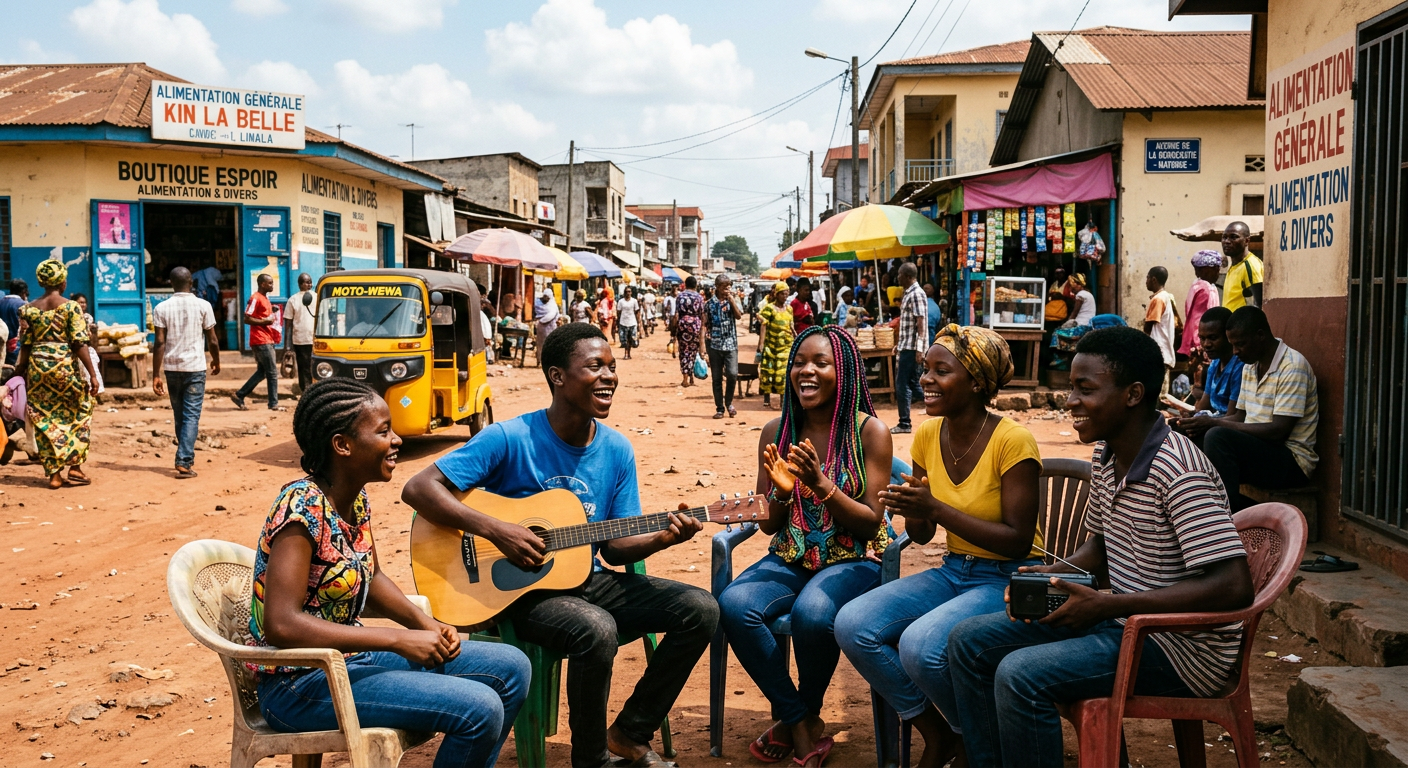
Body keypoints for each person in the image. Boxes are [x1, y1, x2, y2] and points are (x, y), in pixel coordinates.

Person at [402, 323, 718, 768]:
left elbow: (614, 547)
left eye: (612, 367)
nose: (609, 376)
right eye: (594, 367)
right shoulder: (509, 438)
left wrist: (665, 537)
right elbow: (420, 488)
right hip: (515, 592)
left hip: (585, 579)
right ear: (557, 376)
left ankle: (629, 732)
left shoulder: (616, 450)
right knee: (596, 628)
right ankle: (591, 759)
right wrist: (497, 530)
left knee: (701, 609)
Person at [946, 326, 1255, 768]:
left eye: (1085, 390)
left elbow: (1233, 587)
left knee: (1020, 676)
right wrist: (1053, 575)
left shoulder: (1179, 470)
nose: (1070, 401)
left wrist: (1107, 606)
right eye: (1072, 388)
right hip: (1126, 624)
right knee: (967, 642)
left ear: (1132, 394)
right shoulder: (1107, 455)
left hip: (1182, 649)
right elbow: (1101, 546)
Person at [250, 379, 530, 768]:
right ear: (342, 445)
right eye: (383, 431)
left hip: (350, 662)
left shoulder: (354, 500)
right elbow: (281, 624)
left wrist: (424, 623)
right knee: (479, 708)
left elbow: (372, 577)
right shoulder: (301, 509)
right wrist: (398, 639)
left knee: (512, 668)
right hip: (300, 684)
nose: (396, 440)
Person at [836, 324, 1039, 768]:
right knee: (853, 623)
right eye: (925, 369)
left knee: (921, 646)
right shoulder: (928, 435)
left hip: (1008, 576)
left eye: (940, 371)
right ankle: (945, 733)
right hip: (954, 571)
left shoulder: (1013, 441)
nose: (925, 379)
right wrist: (915, 507)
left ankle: (978, 738)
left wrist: (937, 508)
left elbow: (1018, 541)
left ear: (977, 382)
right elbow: (924, 534)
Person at [718, 325, 893, 768]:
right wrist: (779, 492)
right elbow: (768, 525)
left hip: (856, 558)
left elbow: (872, 524)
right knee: (736, 604)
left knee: (813, 613)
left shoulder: (869, 432)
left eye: (821, 363)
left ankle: (805, 713)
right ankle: (799, 720)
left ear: (845, 371)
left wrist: (819, 484)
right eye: (799, 362)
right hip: (794, 554)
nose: (806, 372)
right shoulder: (777, 430)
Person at [1177, 307, 1318, 510]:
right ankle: (1208, 508)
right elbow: (1240, 417)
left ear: (1260, 336)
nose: (1235, 352)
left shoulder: (1292, 367)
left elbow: (1278, 431)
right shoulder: (1251, 366)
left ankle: (1229, 517)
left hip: (1291, 461)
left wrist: (1214, 423)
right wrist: (1202, 424)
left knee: (1217, 437)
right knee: (1190, 434)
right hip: (1259, 449)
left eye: (1240, 344)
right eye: (1233, 345)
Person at [14, 260, 98, 489]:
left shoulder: (28, 308)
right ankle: (75, 467)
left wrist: (20, 371)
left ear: (41, 281)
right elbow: (79, 343)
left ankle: (54, 474)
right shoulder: (71, 307)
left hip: (38, 369)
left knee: (43, 418)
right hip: (63, 367)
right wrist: (92, 373)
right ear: (62, 281)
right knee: (79, 411)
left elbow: (27, 344)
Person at [152, 267, 221, 479]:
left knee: (180, 414)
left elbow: (160, 342)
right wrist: (216, 361)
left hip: (172, 368)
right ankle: (183, 460)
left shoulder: (161, 308)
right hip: (195, 368)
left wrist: (155, 374)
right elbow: (213, 340)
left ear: (171, 283)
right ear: (191, 282)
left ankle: (184, 455)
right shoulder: (203, 305)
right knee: (191, 415)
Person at [1172, 306, 1243, 420]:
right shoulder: (1214, 365)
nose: (1206, 344)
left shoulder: (1239, 367)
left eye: (1213, 338)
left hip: (1225, 427)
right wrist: (1191, 416)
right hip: (1214, 423)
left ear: (1228, 336)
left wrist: (1203, 423)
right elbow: (1204, 405)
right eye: (1202, 338)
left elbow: (1232, 416)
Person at [231, 273, 281, 411]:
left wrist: (272, 310)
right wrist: (265, 321)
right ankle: (273, 403)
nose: (272, 285)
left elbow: (261, 314)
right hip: (261, 339)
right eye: (270, 283)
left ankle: (239, 395)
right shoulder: (255, 298)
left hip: (266, 338)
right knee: (272, 372)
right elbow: (247, 318)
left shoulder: (265, 298)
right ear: (262, 284)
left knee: (263, 372)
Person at [892, 262, 929, 434]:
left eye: (899, 274)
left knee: (902, 385)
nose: (897, 277)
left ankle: (904, 423)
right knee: (914, 384)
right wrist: (897, 345)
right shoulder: (909, 293)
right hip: (906, 346)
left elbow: (920, 323)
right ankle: (945, 407)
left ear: (907, 276)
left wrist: (920, 349)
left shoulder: (916, 294)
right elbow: (908, 325)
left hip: (912, 348)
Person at [705, 275, 743, 418]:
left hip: (730, 344)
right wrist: (702, 347)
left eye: (729, 286)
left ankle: (729, 403)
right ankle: (720, 408)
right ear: (717, 287)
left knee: (732, 374)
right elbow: (704, 325)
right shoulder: (709, 304)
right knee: (716, 378)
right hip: (714, 345)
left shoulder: (733, 300)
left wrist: (732, 300)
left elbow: (739, 316)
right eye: (724, 286)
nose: (727, 289)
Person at [755, 281, 795, 410]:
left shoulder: (789, 309)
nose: (785, 296)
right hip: (771, 345)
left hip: (786, 346)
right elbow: (762, 322)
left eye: (786, 294)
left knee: (783, 373)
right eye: (782, 294)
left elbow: (791, 325)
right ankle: (767, 399)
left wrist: (796, 337)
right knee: (768, 372)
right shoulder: (770, 308)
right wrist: (761, 344)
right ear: (777, 294)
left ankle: (783, 401)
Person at [1142, 267, 1178, 396]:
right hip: (1163, 353)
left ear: (1154, 279)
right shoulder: (1166, 297)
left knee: (1157, 395)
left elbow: (1148, 326)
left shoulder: (1158, 299)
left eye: (1147, 278)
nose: (1146, 281)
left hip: (1159, 353)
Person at [1180, 251, 1222, 357]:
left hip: (1194, 341)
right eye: (1216, 269)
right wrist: (1200, 344)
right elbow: (1200, 318)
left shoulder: (1196, 285)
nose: (1218, 272)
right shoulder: (1206, 288)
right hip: (1202, 342)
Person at [1221, 221, 1262, 311]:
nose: (1227, 241)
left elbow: (1259, 304)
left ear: (1247, 241)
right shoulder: (1234, 264)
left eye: (1234, 237)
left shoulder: (1251, 265)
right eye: (1224, 237)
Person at [286, 273, 317, 394]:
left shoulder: (317, 296)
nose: (309, 284)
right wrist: (286, 345)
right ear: (300, 284)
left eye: (310, 281)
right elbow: (288, 323)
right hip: (300, 339)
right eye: (306, 282)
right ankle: (305, 390)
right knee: (303, 367)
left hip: (315, 338)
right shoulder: (293, 300)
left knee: (314, 366)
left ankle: (312, 390)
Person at [69, 293, 104, 398]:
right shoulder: (72, 317)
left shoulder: (88, 317)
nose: (82, 305)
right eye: (80, 302)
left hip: (87, 350)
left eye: (84, 303)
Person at [674, 277, 705, 388]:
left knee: (684, 352)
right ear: (696, 285)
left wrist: (674, 329)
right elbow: (702, 314)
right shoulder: (699, 297)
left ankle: (685, 378)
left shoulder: (680, 296)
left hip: (683, 326)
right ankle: (691, 376)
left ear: (685, 285)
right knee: (693, 351)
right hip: (695, 326)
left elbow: (676, 314)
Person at [2, 279, 28, 366]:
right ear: (23, 292)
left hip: (2, 346)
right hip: (16, 348)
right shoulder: (23, 305)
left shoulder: (1, 302)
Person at [534, 288, 561, 367]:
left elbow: (554, 314)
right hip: (541, 327)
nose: (546, 299)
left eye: (548, 298)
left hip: (551, 326)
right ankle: (539, 361)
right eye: (545, 297)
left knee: (551, 344)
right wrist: (540, 321)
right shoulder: (537, 302)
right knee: (540, 344)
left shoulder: (552, 304)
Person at [616, 286, 639, 360]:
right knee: (624, 340)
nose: (628, 293)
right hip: (623, 322)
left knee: (631, 340)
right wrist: (618, 322)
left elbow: (637, 312)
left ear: (631, 292)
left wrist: (638, 322)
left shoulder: (634, 301)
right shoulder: (621, 301)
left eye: (629, 291)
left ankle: (628, 353)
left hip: (632, 322)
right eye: (626, 292)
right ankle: (626, 354)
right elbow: (618, 312)